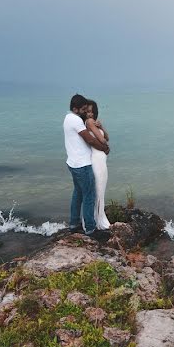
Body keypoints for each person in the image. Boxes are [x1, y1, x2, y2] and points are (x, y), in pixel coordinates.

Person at [63, 94, 110, 240]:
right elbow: (89, 139)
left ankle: (74, 224)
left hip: (73, 163)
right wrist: (104, 148)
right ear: (75, 109)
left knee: (78, 194)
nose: (86, 112)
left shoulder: (68, 118)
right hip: (82, 164)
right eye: (83, 109)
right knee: (89, 195)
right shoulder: (76, 120)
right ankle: (90, 229)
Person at [85, 100, 111, 230]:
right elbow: (102, 140)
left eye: (91, 111)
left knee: (100, 191)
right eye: (87, 111)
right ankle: (98, 221)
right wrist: (105, 146)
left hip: (101, 159)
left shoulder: (94, 123)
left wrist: (101, 127)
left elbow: (107, 136)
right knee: (98, 190)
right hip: (96, 159)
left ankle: (97, 217)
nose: (89, 114)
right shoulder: (89, 122)